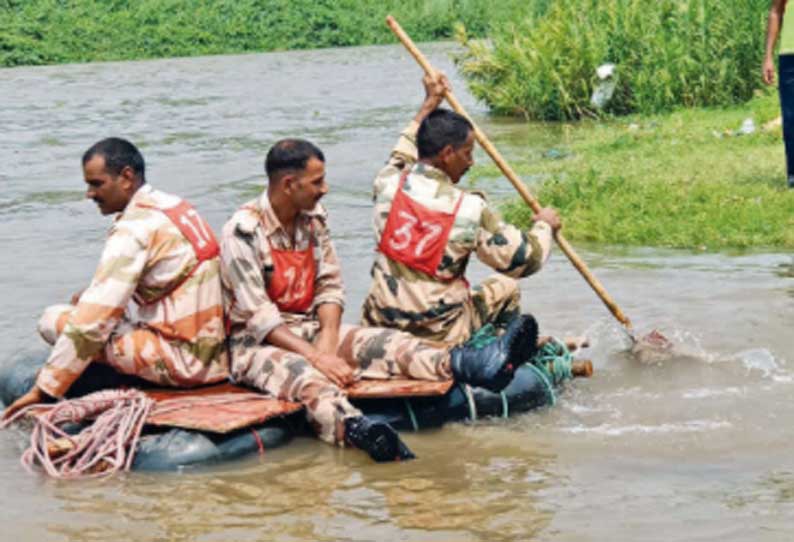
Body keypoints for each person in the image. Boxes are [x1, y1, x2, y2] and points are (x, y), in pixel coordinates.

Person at [220, 139, 538, 463]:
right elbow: (260, 319)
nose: (325, 189)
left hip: (309, 330)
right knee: (306, 378)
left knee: (390, 343)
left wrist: (328, 342)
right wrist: (318, 359)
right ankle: (360, 431)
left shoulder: (312, 219)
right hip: (256, 346)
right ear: (289, 184)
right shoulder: (243, 233)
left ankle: (474, 364)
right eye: (317, 181)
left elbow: (329, 286)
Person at [2, 138, 229, 419]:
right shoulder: (176, 207)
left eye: (96, 184)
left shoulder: (134, 228)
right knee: (87, 304)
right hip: (216, 354)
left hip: (184, 364)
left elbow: (91, 324)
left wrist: (44, 390)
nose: (89, 194)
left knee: (52, 319)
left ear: (126, 178)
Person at [360, 74, 562, 345]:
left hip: (380, 323)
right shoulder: (469, 209)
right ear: (447, 154)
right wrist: (545, 226)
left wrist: (429, 104)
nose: (471, 162)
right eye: (467, 153)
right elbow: (523, 261)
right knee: (507, 287)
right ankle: (505, 357)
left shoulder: (387, 183)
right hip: (440, 333)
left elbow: (403, 151)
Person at [764, 0, 794, 188]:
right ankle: (793, 173)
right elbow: (776, 12)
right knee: (791, 117)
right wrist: (768, 57)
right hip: (789, 56)